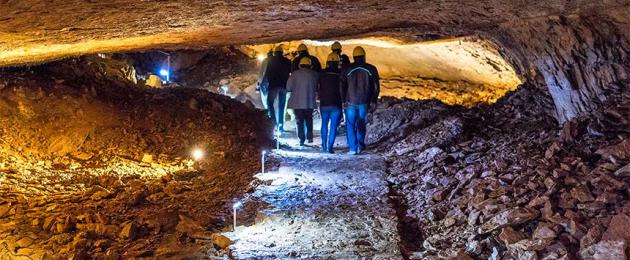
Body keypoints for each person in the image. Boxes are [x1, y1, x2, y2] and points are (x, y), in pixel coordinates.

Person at [341, 46, 380, 155]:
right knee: (361, 123)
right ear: (364, 56)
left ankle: (353, 148)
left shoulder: (347, 69)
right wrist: (374, 99)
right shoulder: (371, 68)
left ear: (353, 57)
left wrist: (343, 100)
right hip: (364, 102)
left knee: (350, 124)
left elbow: (342, 86)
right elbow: (376, 86)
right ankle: (361, 145)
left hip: (350, 102)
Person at [287, 57, 318, 146]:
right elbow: (317, 87)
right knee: (309, 119)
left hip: (297, 103)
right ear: (310, 66)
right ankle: (310, 137)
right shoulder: (314, 74)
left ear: (300, 65)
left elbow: (288, 87)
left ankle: (301, 139)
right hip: (309, 102)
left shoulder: (294, 74)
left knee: (299, 121)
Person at [318, 53, 343, 153]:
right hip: (336, 104)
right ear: (337, 63)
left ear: (328, 62)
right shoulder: (340, 74)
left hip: (324, 103)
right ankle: (330, 147)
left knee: (324, 124)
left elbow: (318, 88)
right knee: (333, 126)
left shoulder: (322, 74)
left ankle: (323, 146)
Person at [264, 45, 292, 132]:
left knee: (269, 103)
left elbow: (267, 74)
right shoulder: (287, 61)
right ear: (282, 52)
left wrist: (266, 86)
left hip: (273, 85)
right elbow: (291, 73)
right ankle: (281, 126)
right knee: (282, 106)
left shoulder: (271, 60)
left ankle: (274, 123)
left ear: (275, 53)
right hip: (284, 86)